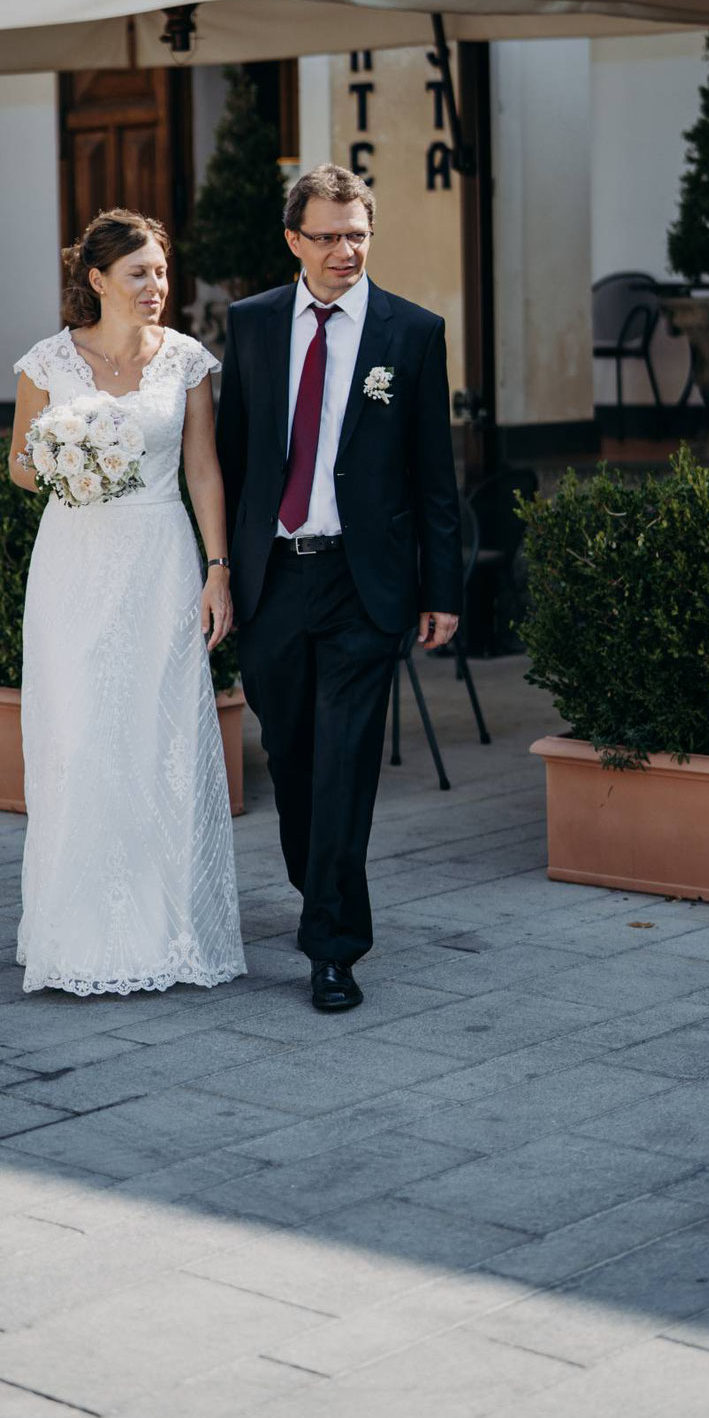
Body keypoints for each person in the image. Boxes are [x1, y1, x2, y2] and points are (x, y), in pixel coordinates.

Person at [216, 165, 461, 1014]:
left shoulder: (412, 332)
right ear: (293, 241)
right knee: (290, 754)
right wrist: (218, 569)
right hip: (274, 577)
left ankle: (333, 947)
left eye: (356, 233)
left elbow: (436, 475)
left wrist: (444, 589)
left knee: (345, 762)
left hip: (366, 584)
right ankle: (315, 883)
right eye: (326, 236)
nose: (344, 251)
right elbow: (232, 461)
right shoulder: (248, 325)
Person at [8, 208, 245, 998]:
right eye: (140, 274)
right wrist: (65, 465)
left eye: (163, 273)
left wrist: (217, 571)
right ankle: (74, 937)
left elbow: (204, 469)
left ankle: (168, 931)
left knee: (160, 738)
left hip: (159, 558)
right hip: (73, 563)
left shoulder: (186, 361)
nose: (156, 287)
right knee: (77, 741)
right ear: (98, 280)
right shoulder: (47, 362)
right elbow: (17, 465)